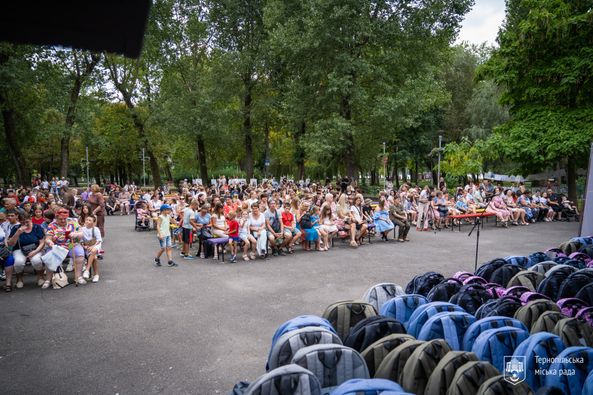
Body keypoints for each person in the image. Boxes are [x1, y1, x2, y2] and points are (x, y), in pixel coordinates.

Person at [45, 207, 86, 287]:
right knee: (49, 256)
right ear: (56, 218)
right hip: (57, 245)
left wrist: (76, 234)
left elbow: (81, 233)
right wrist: (50, 242)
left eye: (65, 218)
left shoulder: (73, 222)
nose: (63, 220)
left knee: (79, 254)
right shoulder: (52, 225)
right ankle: (48, 279)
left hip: (71, 244)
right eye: (60, 219)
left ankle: (78, 277)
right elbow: (47, 239)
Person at [5, 213, 46, 289]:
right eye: (23, 222)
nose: (25, 224)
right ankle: (19, 279)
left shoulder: (37, 227)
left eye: (27, 222)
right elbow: (10, 244)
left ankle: (40, 277)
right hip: (19, 249)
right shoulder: (16, 228)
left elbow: (42, 242)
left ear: (30, 219)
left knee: (36, 260)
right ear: (19, 221)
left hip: (36, 249)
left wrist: (35, 251)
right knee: (18, 262)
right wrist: (17, 233)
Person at [81, 215, 104, 282]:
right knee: (94, 258)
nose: (87, 221)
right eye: (87, 219)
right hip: (87, 246)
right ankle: (96, 275)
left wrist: (93, 246)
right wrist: (84, 246)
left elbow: (99, 240)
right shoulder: (82, 229)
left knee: (93, 250)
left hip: (96, 245)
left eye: (89, 220)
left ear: (93, 223)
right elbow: (81, 240)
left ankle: (87, 270)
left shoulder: (96, 229)